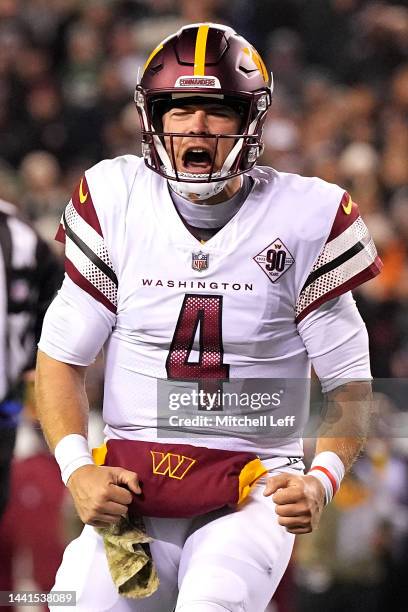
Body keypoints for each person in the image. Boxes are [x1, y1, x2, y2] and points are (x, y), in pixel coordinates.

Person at [35, 23, 382, 612]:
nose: (196, 126)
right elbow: (60, 358)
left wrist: (320, 478)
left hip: (251, 489)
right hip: (133, 489)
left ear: (251, 118)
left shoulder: (306, 215)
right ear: (153, 118)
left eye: (217, 109)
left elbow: (350, 383)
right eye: (179, 108)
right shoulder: (117, 199)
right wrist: (75, 468)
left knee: (213, 602)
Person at [0, 198, 62, 521]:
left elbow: (57, 293)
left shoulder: (21, 235)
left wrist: (38, 355)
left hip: (8, 392)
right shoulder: (21, 232)